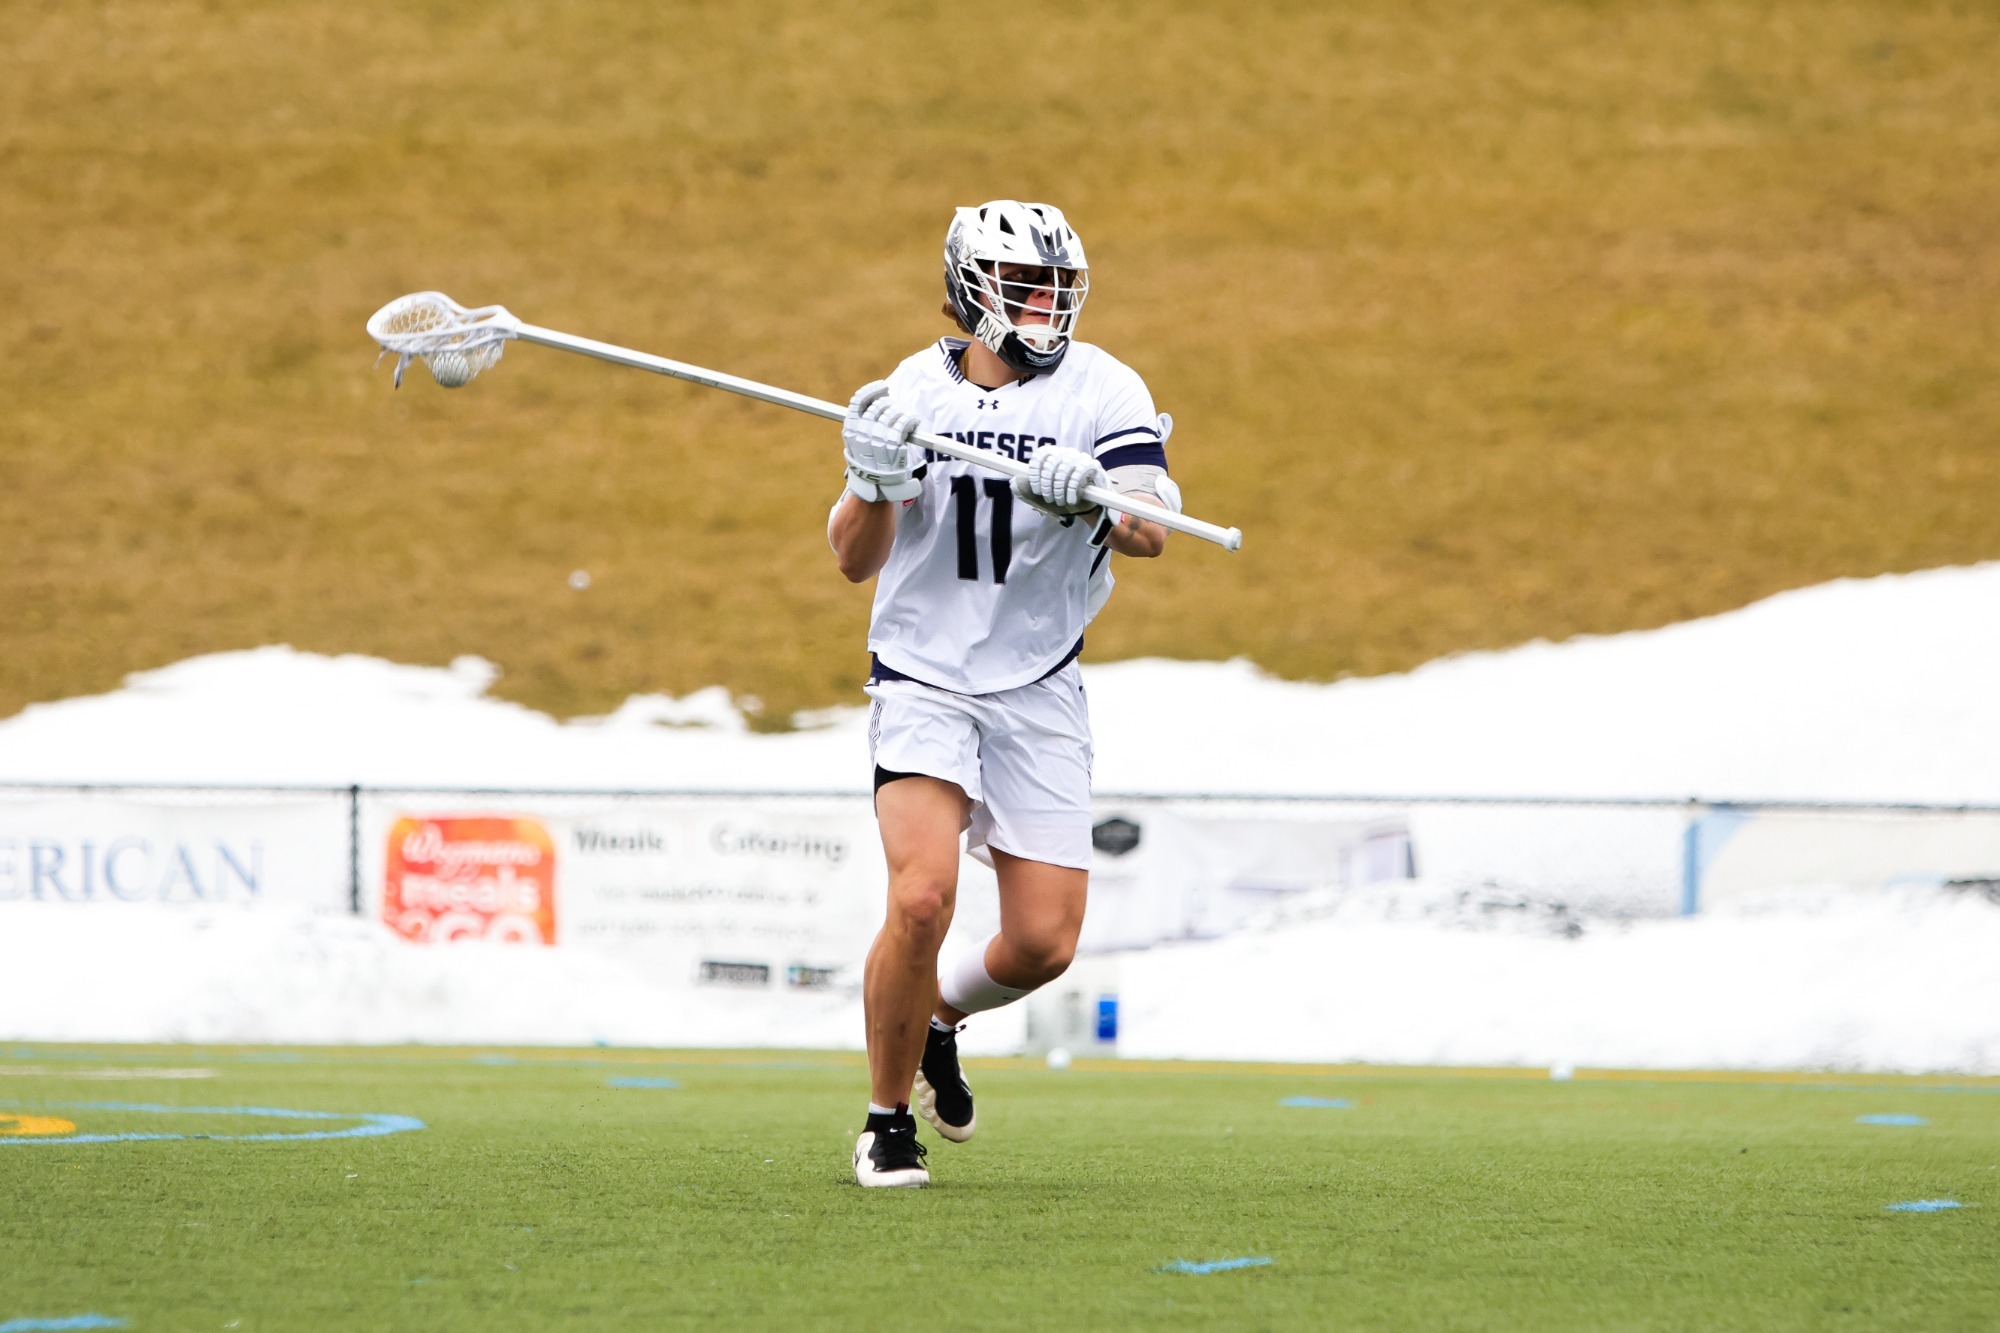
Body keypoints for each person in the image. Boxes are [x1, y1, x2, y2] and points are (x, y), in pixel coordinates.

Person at [827, 200, 1182, 1187]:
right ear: (972, 290)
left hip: (1036, 680)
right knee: (921, 895)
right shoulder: (909, 390)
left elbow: (1152, 527)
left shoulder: (1103, 388)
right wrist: (869, 479)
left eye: (1057, 288)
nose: (1044, 307)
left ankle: (938, 1017)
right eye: (1025, 287)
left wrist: (1098, 498)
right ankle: (885, 1120)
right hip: (925, 675)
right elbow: (853, 558)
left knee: (1040, 943)